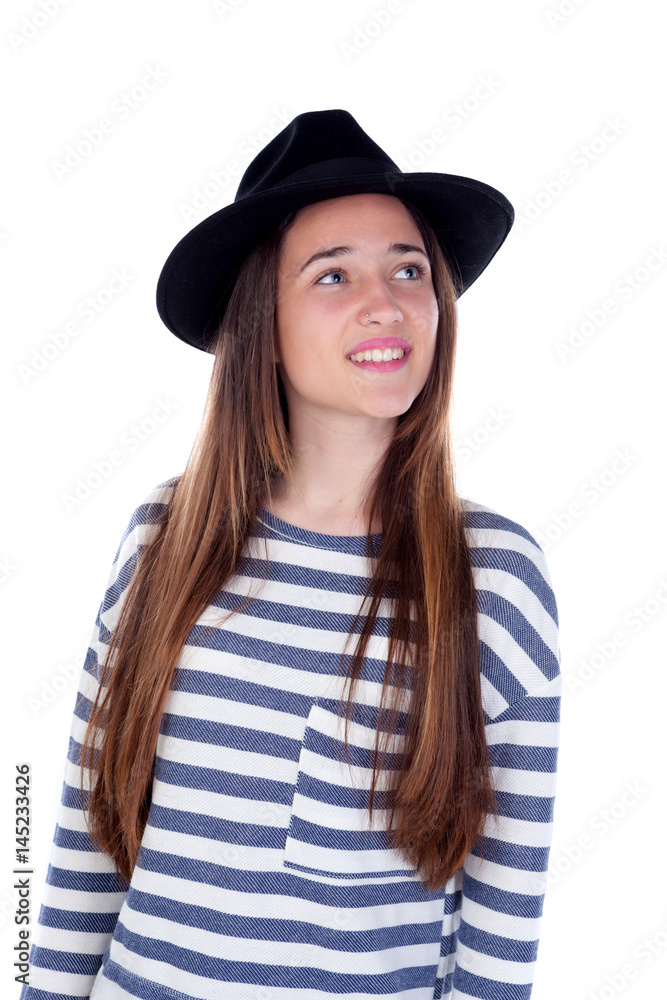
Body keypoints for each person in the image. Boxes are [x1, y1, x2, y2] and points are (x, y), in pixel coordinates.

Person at [21, 109, 561, 1000]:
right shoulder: (165, 537)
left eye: (408, 268)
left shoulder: (493, 577)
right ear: (261, 321)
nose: (384, 300)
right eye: (332, 274)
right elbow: (87, 839)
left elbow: (503, 926)